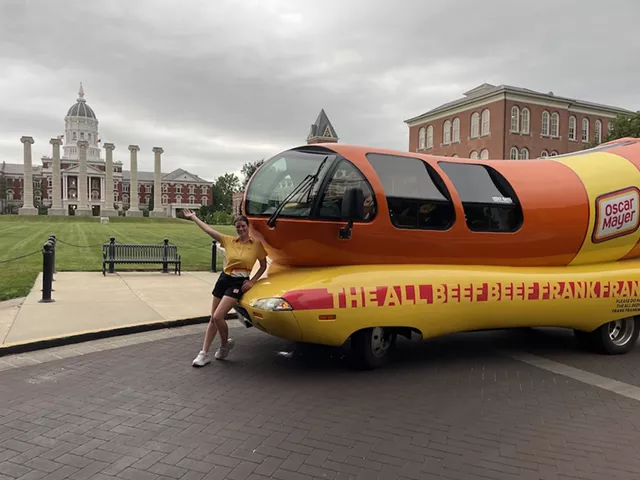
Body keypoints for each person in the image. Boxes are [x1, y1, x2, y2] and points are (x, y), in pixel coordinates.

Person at [182, 209, 268, 365]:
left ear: (247, 226)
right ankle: (204, 353)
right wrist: (194, 217)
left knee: (217, 316)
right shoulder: (229, 241)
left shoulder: (256, 245)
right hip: (224, 279)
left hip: (238, 283)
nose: (240, 229)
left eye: (243, 226)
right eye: (237, 227)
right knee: (212, 319)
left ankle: (224, 346)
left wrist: (252, 281)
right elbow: (209, 230)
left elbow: (263, 265)